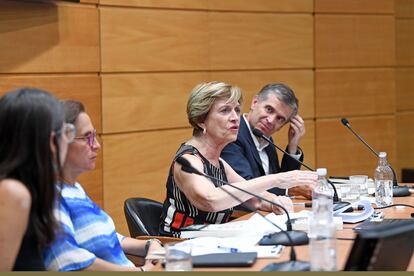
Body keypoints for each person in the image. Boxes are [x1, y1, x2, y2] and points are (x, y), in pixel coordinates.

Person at [159, 81, 317, 237]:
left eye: (236, 110)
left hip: (213, 242)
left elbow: (254, 199)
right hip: (180, 247)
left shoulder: (219, 163)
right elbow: (210, 200)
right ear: (201, 120)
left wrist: (276, 202)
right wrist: (276, 180)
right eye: (225, 110)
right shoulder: (187, 161)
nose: (235, 117)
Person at [43, 100, 162, 272]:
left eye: (95, 136)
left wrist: (150, 244)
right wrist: (141, 272)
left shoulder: (75, 190)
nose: (97, 145)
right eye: (87, 137)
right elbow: (67, 260)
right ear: (60, 142)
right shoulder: (51, 196)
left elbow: (106, 236)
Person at [0, 88, 74, 270]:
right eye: (67, 132)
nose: (68, 140)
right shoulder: (13, 193)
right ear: (51, 141)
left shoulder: (28, 189)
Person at [221, 83, 312, 199]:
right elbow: (245, 186)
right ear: (254, 102)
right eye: (269, 109)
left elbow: (283, 179)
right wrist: (292, 190)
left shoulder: (266, 140)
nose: (270, 120)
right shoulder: (233, 136)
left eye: (280, 119)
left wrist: (293, 146)